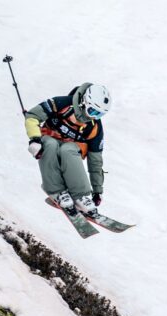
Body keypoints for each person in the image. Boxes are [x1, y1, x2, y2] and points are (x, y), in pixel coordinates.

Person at [24, 82, 110, 216]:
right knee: (51, 145)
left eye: (99, 115)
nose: (93, 117)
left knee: (67, 150)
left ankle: (81, 196)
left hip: (71, 147)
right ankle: (56, 191)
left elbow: (95, 160)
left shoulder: (94, 126)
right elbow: (32, 116)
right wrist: (34, 139)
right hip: (49, 138)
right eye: (92, 111)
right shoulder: (61, 103)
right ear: (84, 102)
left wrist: (97, 190)